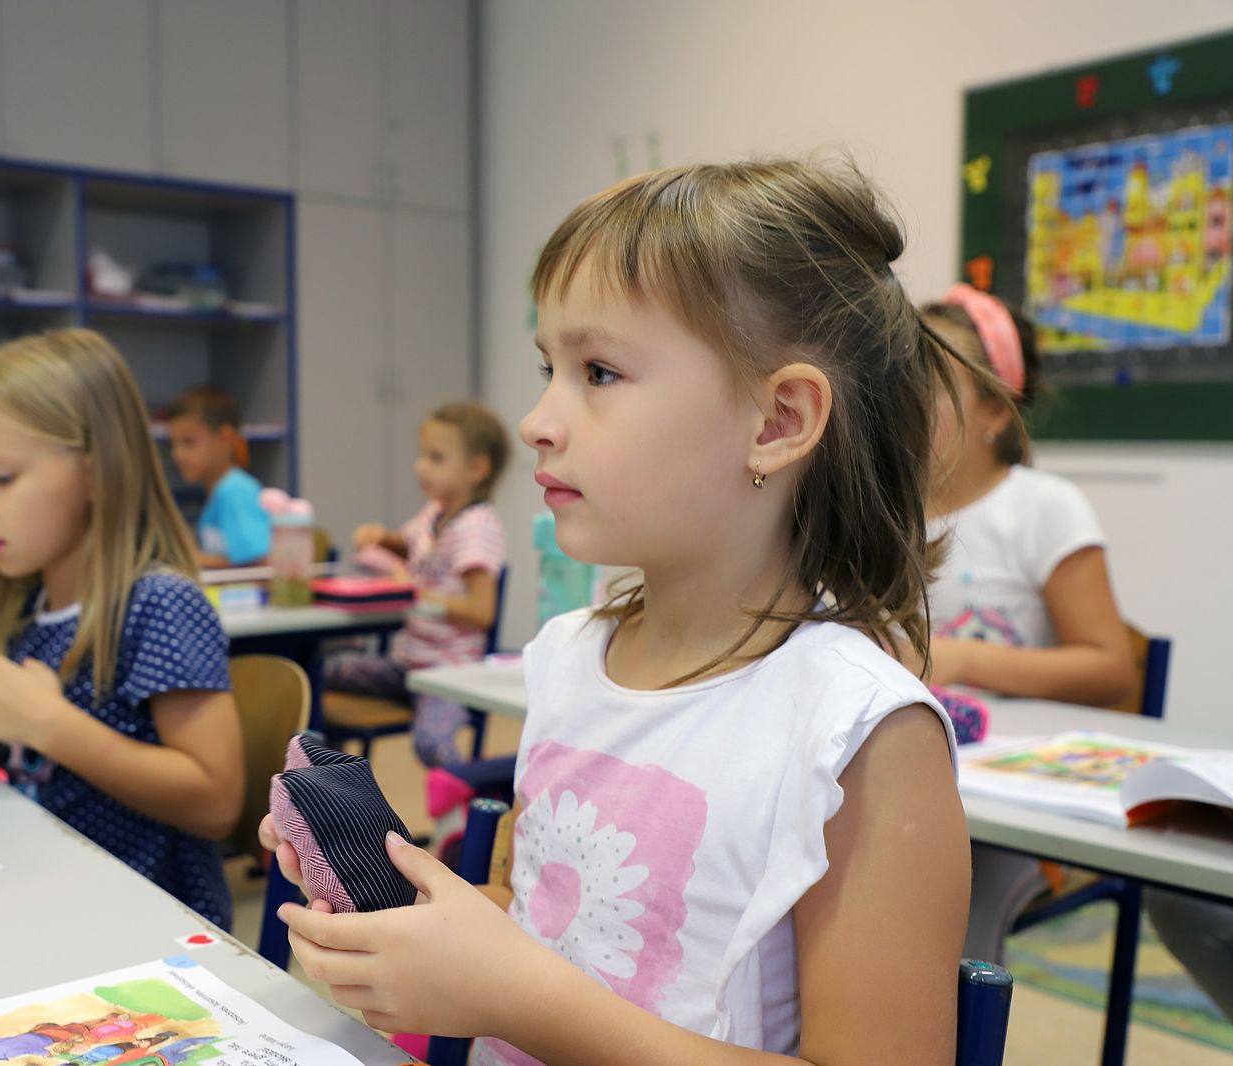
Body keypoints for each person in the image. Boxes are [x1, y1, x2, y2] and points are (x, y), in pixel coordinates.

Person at [263, 159, 972, 1063]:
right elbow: (545, 925)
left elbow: (537, 991)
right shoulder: (568, 656)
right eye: (549, 367)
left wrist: (517, 996)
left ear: (777, 422)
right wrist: (397, 916)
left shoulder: (861, 734)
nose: (536, 422)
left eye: (598, 371)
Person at [0, 329, 244, 929]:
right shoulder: (31, 608)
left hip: (149, 927)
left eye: (1, 477)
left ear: (97, 473)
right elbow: (55, 770)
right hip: (55, 900)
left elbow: (216, 801)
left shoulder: (159, 605)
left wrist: (47, 725)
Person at [922, 287, 1133, 964]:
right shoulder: (879, 515)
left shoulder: (1044, 508)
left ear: (994, 408)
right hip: (913, 778)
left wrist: (958, 659)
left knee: (944, 910)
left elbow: (1110, 668)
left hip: (1013, 810)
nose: (898, 395)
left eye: (929, 378)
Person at [329, 400, 510, 767]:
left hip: (449, 674)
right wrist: (381, 538)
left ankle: (467, 795)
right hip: (406, 665)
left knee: (431, 741)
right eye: (422, 455)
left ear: (477, 468)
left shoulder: (476, 528)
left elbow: (481, 611)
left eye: (435, 458)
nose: (420, 466)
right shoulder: (434, 514)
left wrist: (417, 594)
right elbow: (410, 544)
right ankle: (335, 781)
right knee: (326, 674)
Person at [164, 386, 270, 568]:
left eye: (189, 442)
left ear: (225, 439)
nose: (177, 454)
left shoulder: (235, 491)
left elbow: (259, 562)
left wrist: (191, 558)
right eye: (173, 444)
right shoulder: (218, 493)